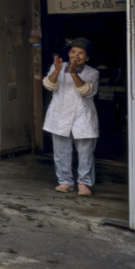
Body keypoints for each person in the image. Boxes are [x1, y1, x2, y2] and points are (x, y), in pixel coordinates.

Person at [42, 37, 100, 196]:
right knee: (61, 152)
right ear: (68, 54)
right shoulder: (58, 66)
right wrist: (56, 71)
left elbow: (85, 90)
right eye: (73, 52)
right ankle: (65, 181)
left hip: (83, 118)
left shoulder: (93, 73)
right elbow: (49, 85)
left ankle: (84, 183)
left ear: (87, 57)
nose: (76, 55)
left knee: (85, 152)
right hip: (60, 116)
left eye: (80, 53)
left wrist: (73, 73)